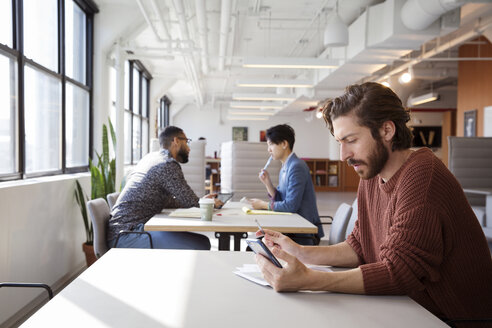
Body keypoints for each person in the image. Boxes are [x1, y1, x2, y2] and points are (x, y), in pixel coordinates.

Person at [254, 82, 492, 324]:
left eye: (351, 140)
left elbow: (398, 272)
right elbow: (360, 245)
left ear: (387, 131)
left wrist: (308, 280)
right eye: (340, 142)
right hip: (409, 309)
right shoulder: (372, 173)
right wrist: (300, 252)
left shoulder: (423, 176)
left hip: (452, 319)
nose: (343, 155)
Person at [107, 126, 223, 250]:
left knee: (201, 241)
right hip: (127, 235)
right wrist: (209, 203)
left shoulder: (150, 158)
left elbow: (170, 201)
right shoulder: (167, 164)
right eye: (187, 141)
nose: (189, 148)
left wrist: (202, 201)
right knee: (201, 244)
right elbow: (189, 201)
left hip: (123, 231)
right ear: (176, 141)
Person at [249, 124, 324, 245]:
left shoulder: (296, 167)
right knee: (258, 241)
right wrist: (267, 183)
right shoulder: (286, 166)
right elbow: (280, 198)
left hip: (303, 233)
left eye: (271, 144)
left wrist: (263, 205)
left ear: (284, 144)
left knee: (259, 243)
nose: (269, 150)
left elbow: (290, 206)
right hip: (293, 226)